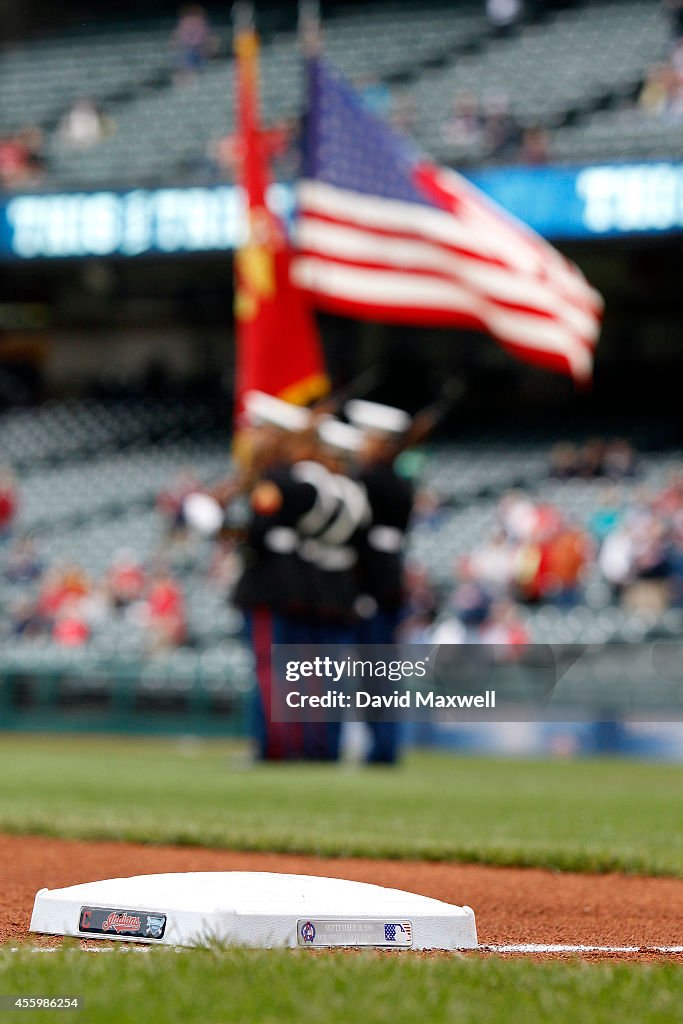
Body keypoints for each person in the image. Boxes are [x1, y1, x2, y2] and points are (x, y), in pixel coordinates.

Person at [345, 399, 414, 765]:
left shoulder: (369, 480)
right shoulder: (398, 480)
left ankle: (381, 747)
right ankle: (383, 745)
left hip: (373, 583)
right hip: (389, 580)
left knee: (374, 673)